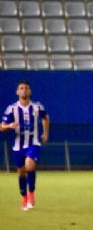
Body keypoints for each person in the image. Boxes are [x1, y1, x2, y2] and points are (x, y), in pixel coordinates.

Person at [1, 80, 50, 211]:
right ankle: (24, 197)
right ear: (17, 92)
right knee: (21, 173)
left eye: (26, 88)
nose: (24, 90)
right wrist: (9, 126)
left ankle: (31, 193)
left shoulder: (37, 107)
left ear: (30, 91)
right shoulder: (12, 108)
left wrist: (45, 134)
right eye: (21, 88)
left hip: (33, 143)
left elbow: (46, 118)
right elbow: (1, 127)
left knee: (30, 165)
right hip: (18, 146)